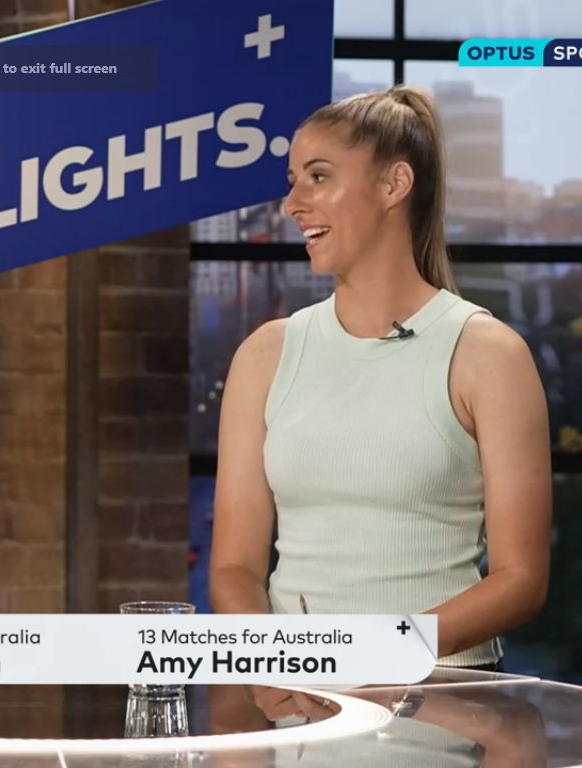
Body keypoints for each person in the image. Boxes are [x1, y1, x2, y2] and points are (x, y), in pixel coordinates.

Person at [209, 85, 551, 715]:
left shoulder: (488, 355)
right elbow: (234, 567)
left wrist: (379, 657)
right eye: (293, 181)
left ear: (394, 185)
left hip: (442, 702)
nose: (293, 204)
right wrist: (272, 663)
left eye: (318, 177)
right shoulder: (264, 356)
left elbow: (521, 580)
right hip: (297, 706)